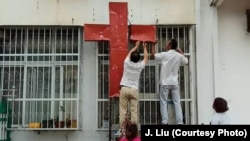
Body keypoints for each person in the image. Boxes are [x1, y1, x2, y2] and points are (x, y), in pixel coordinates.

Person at [151, 38, 188, 125]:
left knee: (163, 102)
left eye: (167, 43)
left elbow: (153, 55)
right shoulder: (179, 56)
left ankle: (165, 122)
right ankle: (180, 122)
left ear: (170, 45)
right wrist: (181, 52)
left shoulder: (165, 55)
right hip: (174, 82)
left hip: (165, 83)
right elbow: (186, 62)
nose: (165, 45)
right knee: (177, 102)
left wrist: (153, 44)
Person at [116, 40, 148, 136]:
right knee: (134, 111)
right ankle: (134, 131)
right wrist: (144, 47)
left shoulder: (126, 63)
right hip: (134, 90)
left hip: (124, 88)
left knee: (123, 111)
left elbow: (129, 54)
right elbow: (146, 58)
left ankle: (122, 130)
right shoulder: (139, 66)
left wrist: (136, 46)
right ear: (138, 59)